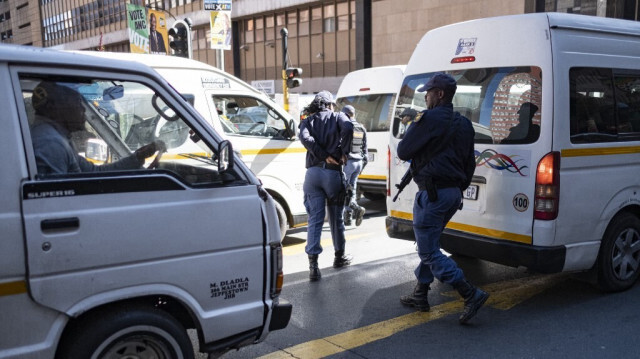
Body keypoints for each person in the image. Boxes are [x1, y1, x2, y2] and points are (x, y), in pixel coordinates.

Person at [397, 73, 489, 324]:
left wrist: (411, 125)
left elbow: (403, 150)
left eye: (428, 92)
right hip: (451, 195)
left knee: (427, 251)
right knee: (431, 244)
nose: (425, 96)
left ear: (439, 94)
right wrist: (459, 190)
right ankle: (420, 293)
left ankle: (471, 294)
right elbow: (470, 164)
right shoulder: (464, 123)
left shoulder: (427, 119)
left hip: (433, 194)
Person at [30, 81, 163, 175]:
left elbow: (95, 173)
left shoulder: (54, 138)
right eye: (78, 103)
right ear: (59, 108)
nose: (82, 109)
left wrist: (138, 157)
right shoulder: (51, 144)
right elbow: (58, 203)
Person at [299, 90, 354, 281]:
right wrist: (344, 152)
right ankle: (339, 257)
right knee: (336, 219)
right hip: (332, 174)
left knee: (315, 219)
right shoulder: (338, 116)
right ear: (330, 104)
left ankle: (313, 266)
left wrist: (321, 154)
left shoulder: (307, 121)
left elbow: (306, 139)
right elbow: (348, 128)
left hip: (312, 175)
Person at [341, 105, 367, 227]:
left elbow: (343, 146)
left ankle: (356, 208)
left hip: (349, 162)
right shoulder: (362, 128)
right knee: (352, 190)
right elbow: (365, 150)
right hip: (359, 162)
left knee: (345, 191)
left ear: (345, 114)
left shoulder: (346, 127)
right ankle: (348, 219)